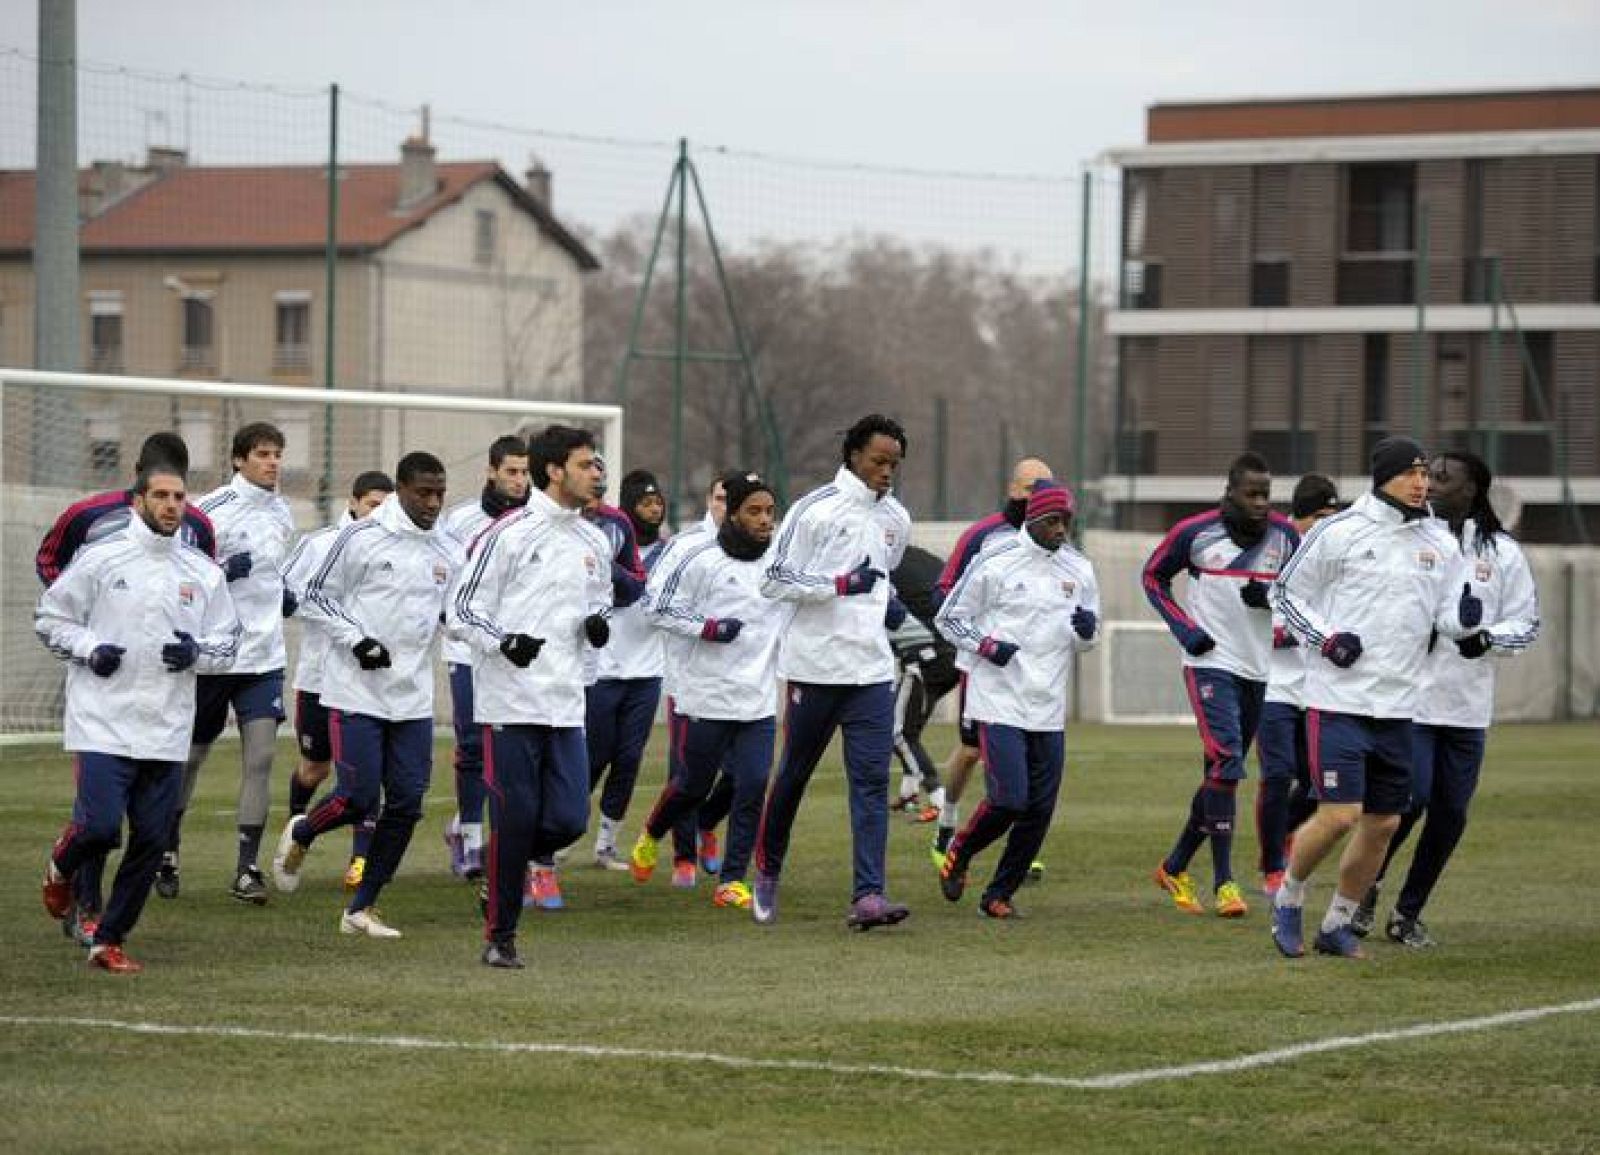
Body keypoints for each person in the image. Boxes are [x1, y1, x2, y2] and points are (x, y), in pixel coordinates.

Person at [1269, 436, 1483, 959]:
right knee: (1340, 814)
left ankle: (1337, 924)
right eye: (1411, 473)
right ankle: (1289, 898)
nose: (1422, 483)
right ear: (1385, 475)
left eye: (1424, 474)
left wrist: (1465, 622)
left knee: (1384, 822)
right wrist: (1327, 639)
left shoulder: (1440, 539)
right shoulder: (1339, 531)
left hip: (1401, 705)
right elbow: (1285, 594)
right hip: (1339, 700)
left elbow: (1447, 614)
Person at [37, 461, 240, 972]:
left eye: (179, 497)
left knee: (151, 840)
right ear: (138, 501)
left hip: (167, 727)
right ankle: (61, 867)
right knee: (102, 828)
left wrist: (198, 653)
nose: (172, 505)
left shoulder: (203, 571)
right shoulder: (100, 558)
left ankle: (109, 940)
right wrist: (90, 648)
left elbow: (230, 642)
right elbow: (51, 617)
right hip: (103, 718)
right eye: (162, 496)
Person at [1351, 449, 1540, 947]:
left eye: (1441, 477)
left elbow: (1526, 623)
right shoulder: (1409, 538)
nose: (1428, 483)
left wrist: (1490, 639)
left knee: (1450, 814)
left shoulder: (1502, 553)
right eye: (1425, 474)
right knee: (1408, 800)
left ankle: (1407, 914)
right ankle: (1363, 889)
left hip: (1467, 710)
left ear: (1472, 489)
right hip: (1410, 701)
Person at [270, 452, 454, 938]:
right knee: (356, 796)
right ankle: (303, 831)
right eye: (424, 492)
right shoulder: (359, 537)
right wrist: (357, 639)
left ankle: (361, 908)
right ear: (400, 490)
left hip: (412, 697)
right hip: (355, 689)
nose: (434, 502)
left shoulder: (448, 549)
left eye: (440, 493)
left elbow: (456, 610)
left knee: (408, 803)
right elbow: (314, 596)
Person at [449, 424, 612, 968]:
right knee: (516, 818)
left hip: (566, 703)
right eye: (587, 463)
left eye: (597, 463)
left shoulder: (592, 539)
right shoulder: (507, 533)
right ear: (555, 470)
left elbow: (601, 600)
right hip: (510, 703)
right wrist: (504, 642)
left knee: (569, 819)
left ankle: (502, 865)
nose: (597, 472)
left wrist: (597, 625)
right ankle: (500, 937)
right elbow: (461, 612)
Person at [753, 413, 913, 931]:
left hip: (869, 671)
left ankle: (868, 894)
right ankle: (767, 869)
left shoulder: (897, 519)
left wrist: (884, 603)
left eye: (894, 464)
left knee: (869, 781)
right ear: (853, 457)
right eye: (879, 461)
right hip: (814, 668)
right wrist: (839, 584)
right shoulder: (813, 509)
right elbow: (773, 579)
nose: (887, 472)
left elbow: (883, 577)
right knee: (794, 775)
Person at [1142, 451, 1298, 919]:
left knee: (1220, 771)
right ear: (1229, 493)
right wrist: (1185, 629)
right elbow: (1152, 577)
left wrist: (1271, 597)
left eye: (1266, 495)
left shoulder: (1286, 538)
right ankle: (1225, 883)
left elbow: (1306, 596)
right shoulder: (1194, 533)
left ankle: (1173, 866)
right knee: (1229, 762)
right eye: (1250, 494)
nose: (1260, 504)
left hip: (1259, 669)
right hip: (1209, 663)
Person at [933, 480, 1099, 917]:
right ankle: (961, 851)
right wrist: (985, 645)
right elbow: (949, 618)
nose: (1061, 529)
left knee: (1039, 810)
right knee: (1009, 798)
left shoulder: (1079, 569)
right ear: (1032, 519)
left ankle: (999, 895)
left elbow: (1088, 639)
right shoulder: (994, 559)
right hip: (998, 699)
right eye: (1053, 521)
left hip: (1048, 706)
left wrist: (1087, 631)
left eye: (1067, 521)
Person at [631, 471, 790, 909]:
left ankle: (732, 880)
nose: (764, 520)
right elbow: (655, 607)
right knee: (693, 784)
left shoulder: (778, 559)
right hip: (706, 694)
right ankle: (652, 832)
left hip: (756, 698)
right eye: (753, 511)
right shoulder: (694, 553)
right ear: (732, 514)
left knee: (754, 782)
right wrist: (707, 628)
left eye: (769, 512)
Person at [167, 422, 296, 905]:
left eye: (278, 454)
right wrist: (220, 570)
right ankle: (168, 849)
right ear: (239, 460)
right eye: (264, 453)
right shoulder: (208, 511)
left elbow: (275, 572)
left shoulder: (283, 512)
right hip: (212, 657)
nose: (274, 462)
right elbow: (177, 575)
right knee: (191, 759)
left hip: (264, 657)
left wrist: (284, 594)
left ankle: (246, 868)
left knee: (261, 759)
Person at [928, 457, 1055, 869]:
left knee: (1026, 760)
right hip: (984, 666)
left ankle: (1015, 845)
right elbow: (943, 593)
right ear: (1013, 489)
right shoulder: (982, 536)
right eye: (1032, 488)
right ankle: (947, 821)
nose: (1038, 497)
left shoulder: (1053, 537)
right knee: (971, 751)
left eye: (1046, 487)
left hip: (1032, 674)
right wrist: (981, 637)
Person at [280, 470, 394, 893]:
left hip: (369, 681)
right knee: (314, 769)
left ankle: (360, 859)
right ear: (354, 502)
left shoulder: (397, 549)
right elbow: (288, 594)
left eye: (387, 507)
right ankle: (296, 826)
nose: (379, 515)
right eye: (373, 505)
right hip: (317, 677)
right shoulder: (319, 544)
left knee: (367, 773)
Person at [437, 435, 530, 882]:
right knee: (473, 742)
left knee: (512, 748)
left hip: (517, 652)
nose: (518, 480)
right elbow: (444, 580)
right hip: (466, 645)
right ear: (492, 471)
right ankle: (471, 838)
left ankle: (504, 837)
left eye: (525, 472)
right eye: (511, 471)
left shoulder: (536, 522)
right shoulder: (460, 521)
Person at [1256, 473, 1342, 897]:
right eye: (1320, 516)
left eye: (1333, 515)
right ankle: (1271, 866)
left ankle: (1285, 835)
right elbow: (1261, 609)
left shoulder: (1333, 556)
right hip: (1272, 685)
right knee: (1276, 773)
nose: (1328, 524)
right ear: (1299, 517)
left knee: (1316, 781)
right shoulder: (1275, 547)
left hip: (1315, 688)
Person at [585, 469, 671, 873]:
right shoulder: (606, 540)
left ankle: (606, 843)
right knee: (594, 754)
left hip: (646, 670)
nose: (653, 510)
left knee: (630, 757)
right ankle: (560, 833)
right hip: (604, 667)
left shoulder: (670, 552)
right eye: (645, 503)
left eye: (658, 504)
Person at [888, 544, 958, 822]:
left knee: (898, 732)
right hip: (952, 653)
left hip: (925, 655)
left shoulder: (882, 564)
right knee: (908, 729)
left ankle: (938, 799)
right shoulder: (924, 556)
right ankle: (909, 794)